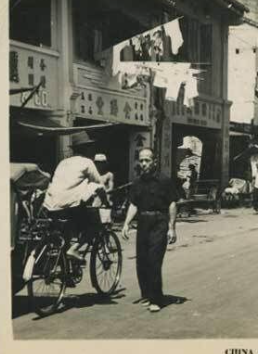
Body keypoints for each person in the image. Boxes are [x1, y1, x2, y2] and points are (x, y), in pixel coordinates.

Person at [122, 148, 179, 312]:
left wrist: (172, 228)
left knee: (154, 260)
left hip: (159, 221)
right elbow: (133, 204)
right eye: (141, 160)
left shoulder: (164, 181)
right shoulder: (137, 182)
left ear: (155, 161)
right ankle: (146, 294)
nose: (144, 163)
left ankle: (156, 299)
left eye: (147, 160)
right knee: (142, 261)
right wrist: (126, 223)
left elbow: (172, 203)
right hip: (143, 222)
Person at [43, 131, 109, 262]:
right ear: (86, 148)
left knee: (65, 234)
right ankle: (75, 249)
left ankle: (65, 270)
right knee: (94, 227)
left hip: (51, 205)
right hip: (70, 206)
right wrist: (106, 202)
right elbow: (99, 184)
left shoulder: (62, 163)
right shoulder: (87, 162)